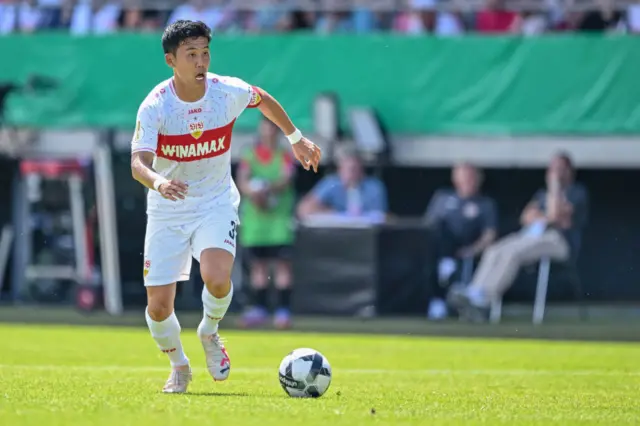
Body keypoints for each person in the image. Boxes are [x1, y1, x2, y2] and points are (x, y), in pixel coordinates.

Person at [130, 20, 321, 394]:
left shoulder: (224, 91)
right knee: (157, 308)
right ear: (171, 60)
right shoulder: (156, 105)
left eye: (205, 53)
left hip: (215, 201)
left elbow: (261, 97)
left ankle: (210, 332)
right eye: (191, 55)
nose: (201, 61)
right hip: (168, 207)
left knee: (217, 278)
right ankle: (179, 366)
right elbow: (138, 163)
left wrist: (296, 138)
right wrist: (160, 181)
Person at [448, 152, 589, 321]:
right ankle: (474, 292)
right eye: (552, 168)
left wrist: (554, 186)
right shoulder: (541, 194)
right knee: (495, 249)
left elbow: (555, 216)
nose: (554, 172)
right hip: (534, 237)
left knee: (513, 252)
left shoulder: (577, 192)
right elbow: (526, 217)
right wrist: (544, 217)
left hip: (559, 241)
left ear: (569, 171)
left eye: (559, 168)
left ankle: (483, 300)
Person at [236, 118, 296, 329]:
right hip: (255, 223)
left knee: (282, 267)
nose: (268, 132)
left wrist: (266, 189)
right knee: (258, 267)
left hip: (278, 221)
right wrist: (254, 192)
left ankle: (283, 310)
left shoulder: (284, 155)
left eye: (273, 127)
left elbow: (286, 178)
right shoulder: (249, 155)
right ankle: (260, 308)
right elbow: (243, 180)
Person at [424, 163, 497, 320]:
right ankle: (438, 297)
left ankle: (447, 265)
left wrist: (473, 249)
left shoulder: (485, 204)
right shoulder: (442, 197)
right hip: (437, 247)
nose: (468, 181)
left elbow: (489, 234)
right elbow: (428, 225)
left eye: (471, 177)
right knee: (439, 229)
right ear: (455, 179)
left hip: (467, 246)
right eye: (464, 177)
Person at [297, 146, 387, 224]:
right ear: (340, 170)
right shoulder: (331, 183)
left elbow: (380, 217)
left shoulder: (374, 187)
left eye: (355, 169)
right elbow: (303, 209)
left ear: (362, 170)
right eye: (348, 169)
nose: (352, 174)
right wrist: (330, 212)